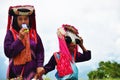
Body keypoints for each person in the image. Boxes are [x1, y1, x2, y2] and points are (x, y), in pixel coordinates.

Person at [4, 5, 44, 80]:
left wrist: (39, 65)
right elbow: (8, 52)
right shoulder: (10, 33)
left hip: (34, 75)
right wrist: (19, 39)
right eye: (20, 19)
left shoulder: (34, 34)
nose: (23, 21)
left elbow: (40, 51)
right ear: (16, 20)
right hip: (16, 76)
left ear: (29, 20)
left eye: (26, 19)